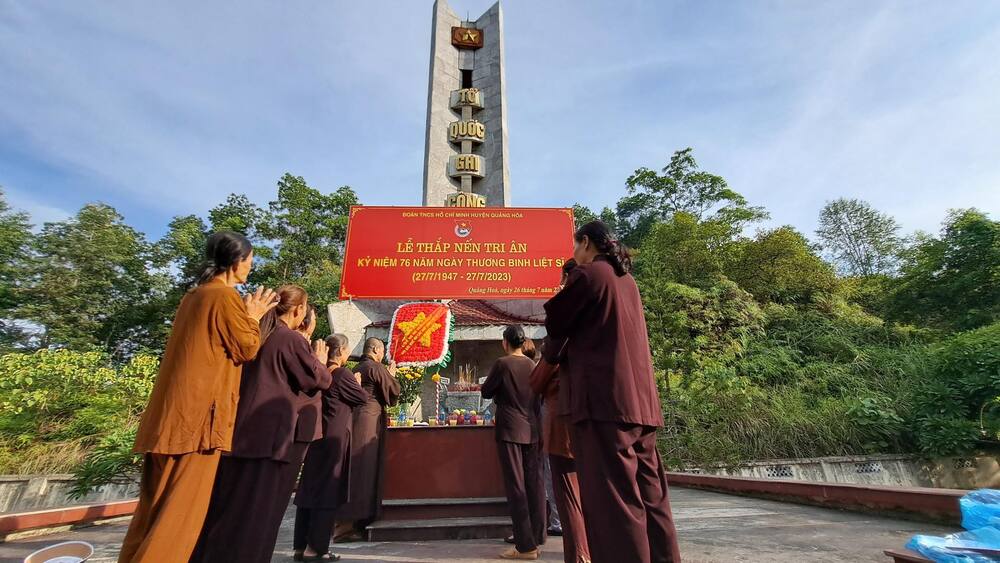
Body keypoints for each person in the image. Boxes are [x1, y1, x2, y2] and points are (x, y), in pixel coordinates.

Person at [119, 231, 278, 563]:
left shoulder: (194, 296)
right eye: (250, 261)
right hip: (198, 422)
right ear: (237, 262)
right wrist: (253, 315)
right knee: (179, 518)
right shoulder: (223, 297)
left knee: (152, 512)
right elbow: (247, 348)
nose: (251, 267)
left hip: (170, 418)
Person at [544, 221, 681, 563]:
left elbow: (555, 322)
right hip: (642, 406)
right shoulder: (627, 281)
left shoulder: (590, 276)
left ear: (586, 243)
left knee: (615, 504)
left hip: (606, 405)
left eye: (576, 247)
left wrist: (570, 278)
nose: (574, 255)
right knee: (652, 499)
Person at [190, 285, 333, 563]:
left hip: (238, 433)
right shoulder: (287, 338)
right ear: (299, 310)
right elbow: (318, 379)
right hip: (269, 440)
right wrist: (319, 358)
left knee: (228, 509)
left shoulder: (256, 334)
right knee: (257, 516)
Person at [530, 261, 591, 563]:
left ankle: (580, 554)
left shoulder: (561, 341)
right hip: (592, 421)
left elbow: (538, 381)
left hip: (562, 425)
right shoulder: (596, 330)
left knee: (567, 493)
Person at [294, 334, 370, 561]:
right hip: (334, 439)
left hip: (316, 437)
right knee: (327, 492)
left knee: (309, 491)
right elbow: (362, 398)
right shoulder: (341, 374)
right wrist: (356, 383)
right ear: (342, 351)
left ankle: (300, 545)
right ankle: (316, 548)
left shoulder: (318, 372)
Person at [482, 325, 546, 561]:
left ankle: (525, 546)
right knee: (534, 485)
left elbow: (487, 391)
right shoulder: (532, 365)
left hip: (510, 429)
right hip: (532, 429)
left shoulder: (502, 364)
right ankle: (536, 538)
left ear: (505, 342)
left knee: (516, 486)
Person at [334, 338, 401, 538]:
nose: (382, 355)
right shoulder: (375, 367)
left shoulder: (359, 367)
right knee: (363, 471)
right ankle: (349, 524)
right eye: (381, 351)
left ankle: (350, 522)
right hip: (369, 421)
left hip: (356, 419)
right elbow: (394, 391)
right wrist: (391, 375)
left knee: (355, 469)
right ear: (375, 349)